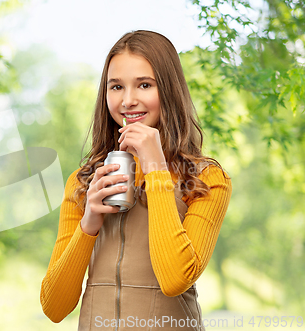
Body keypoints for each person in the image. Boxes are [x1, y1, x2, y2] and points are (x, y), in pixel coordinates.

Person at [40, 30, 232, 331]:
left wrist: (155, 168)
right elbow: (54, 307)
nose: (128, 101)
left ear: (168, 90)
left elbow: (175, 280)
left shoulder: (206, 178)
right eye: (116, 87)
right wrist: (89, 223)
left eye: (144, 85)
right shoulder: (83, 182)